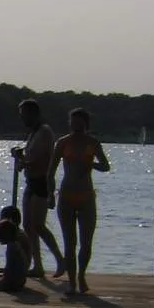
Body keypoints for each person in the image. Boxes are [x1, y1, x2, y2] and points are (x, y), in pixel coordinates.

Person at [49, 107, 111, 295]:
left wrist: (90, 163)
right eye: (73, 121)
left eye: (80, 122)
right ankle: (71, 281)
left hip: (86, 196)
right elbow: (51, 170)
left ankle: (82, 275)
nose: (76, 125)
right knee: (70, 242)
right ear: (70, 123)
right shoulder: (62, 143)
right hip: (66, 195)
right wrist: (50, 194)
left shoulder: (92, 143)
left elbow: (105, 166)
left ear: (86, 123)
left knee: (86, 242)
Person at [11, 98, 65, 278]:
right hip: (30, 183)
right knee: (27, 225)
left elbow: (35, 159)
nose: (22, 118)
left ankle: (60, 260)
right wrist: (18, 158)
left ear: (34, 114)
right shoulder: (32, 134)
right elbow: (24, 164)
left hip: (42, 182)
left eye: (24, 114)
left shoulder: (44, 132)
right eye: (21, 115)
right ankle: (37, 265)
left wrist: (22, 159)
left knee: (39, 225)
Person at [0, 205, 32, 293]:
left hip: (14, 281)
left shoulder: (14, 243)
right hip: (19, 277)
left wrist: (1, 281)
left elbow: (9, 269)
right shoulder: (19, 235)